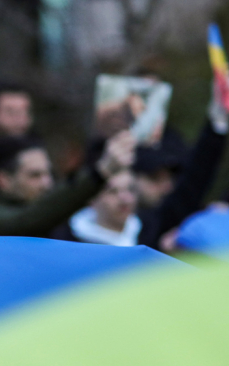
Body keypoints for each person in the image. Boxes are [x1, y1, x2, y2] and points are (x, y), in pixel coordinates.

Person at [53, 88, 229, 249]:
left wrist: (217, 123)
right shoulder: (62, 239)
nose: (124, 199)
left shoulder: (149, 229)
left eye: (130, 189)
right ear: (90, 197)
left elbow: (193, 183)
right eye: (112, 192)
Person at [0, 131, 136, 238]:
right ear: (3, 180)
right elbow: (27, 221)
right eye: (34, 175)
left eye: (48, 173)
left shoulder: (51, 216)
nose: (47, 183)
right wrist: (99, 173)